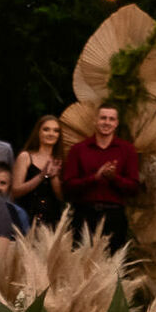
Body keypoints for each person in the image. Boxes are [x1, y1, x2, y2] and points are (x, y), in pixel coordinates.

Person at [61, 105, 138, 252]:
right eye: (103, 118)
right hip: (84, 214)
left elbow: (134, 188)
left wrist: (114, 178)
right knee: (80, 264)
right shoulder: (78, 149)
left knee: (113, 265)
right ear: (95, 121)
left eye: (111, 119)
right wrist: (94, 178)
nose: (106, 122)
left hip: (114, 216)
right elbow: (68, 186)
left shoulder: (127, 150)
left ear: (116, 123)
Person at [9, 114, 65, 229]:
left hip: (52, 219)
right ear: (38, 132)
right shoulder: (25, 156)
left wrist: (53, 177)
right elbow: (15, 191)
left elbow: (62, 197)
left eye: (56, 131)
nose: (51, 134)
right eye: (46, 129)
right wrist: (41, 176)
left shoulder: (61, 160)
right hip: (26, 217)